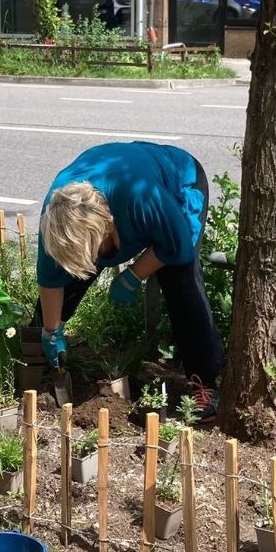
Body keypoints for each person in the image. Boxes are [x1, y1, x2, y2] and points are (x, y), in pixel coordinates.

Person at [35, 142, 224, 422]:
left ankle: (204, 381)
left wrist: (133, 275)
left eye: (96, 251)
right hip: (119, 188)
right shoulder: (57, 220)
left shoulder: (143, 200)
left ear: (110, 226)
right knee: (70, 276)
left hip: (177, 182)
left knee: (180, 281)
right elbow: (51, 278)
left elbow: (177, 247)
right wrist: (51, 331)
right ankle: (38, 360)